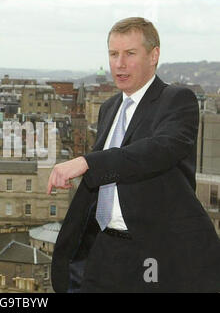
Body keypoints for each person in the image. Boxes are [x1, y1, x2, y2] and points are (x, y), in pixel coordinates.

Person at [48, 17, 220, 292]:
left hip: (155, 252)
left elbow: (156, 152)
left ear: (154, 56)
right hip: (104, 249)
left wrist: (86, 162)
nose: (119, 63)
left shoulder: (177, 100)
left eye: (130, 53)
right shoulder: (108, 108)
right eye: (114, 54)